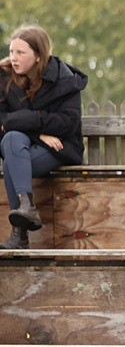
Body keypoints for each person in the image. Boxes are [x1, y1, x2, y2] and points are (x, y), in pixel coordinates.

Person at [0, 26, 88, 249]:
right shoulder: (4, 77)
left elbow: (67, 123)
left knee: (12, 155)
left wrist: (22, 121)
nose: (14, 58)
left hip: (58, 148)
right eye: (12, 51)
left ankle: (20, 235)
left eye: (21, 53)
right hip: (27, 144)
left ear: (38, 55)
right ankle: (26, 207)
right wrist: (38, 132)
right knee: (12, 140)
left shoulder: (64, 80)